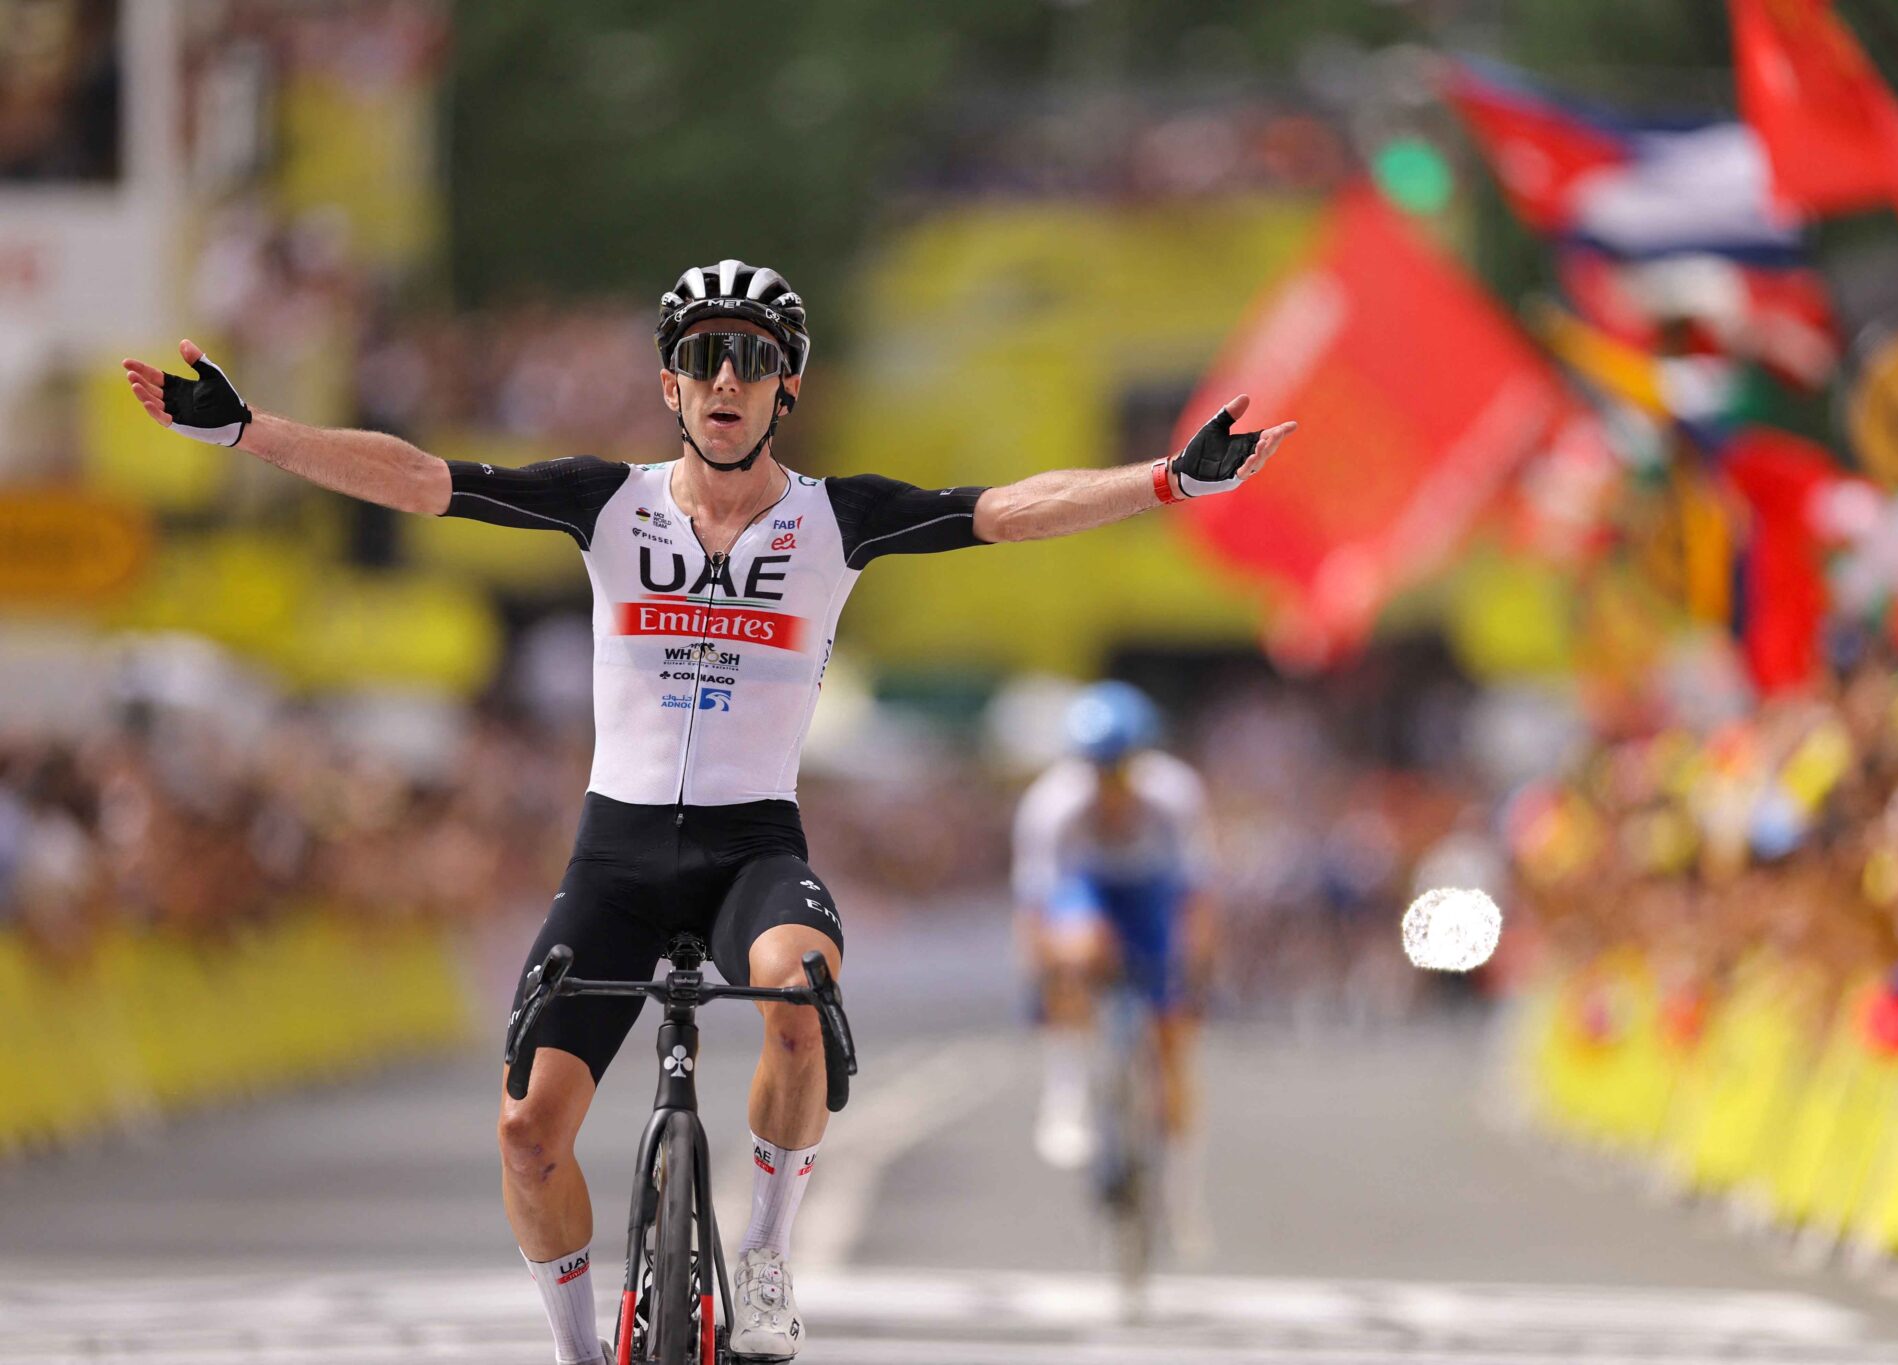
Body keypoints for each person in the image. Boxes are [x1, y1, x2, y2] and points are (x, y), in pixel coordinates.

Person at [123, 259, 1296, 1364]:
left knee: (799, 993)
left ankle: (769, 1260)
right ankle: (576, 1345)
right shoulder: (605, 504)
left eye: (748, 357)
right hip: (616, 855)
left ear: (786, 383)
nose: (723, 379)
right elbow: (422, 478)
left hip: (750, 849)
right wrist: (247, 431)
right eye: (700, 357)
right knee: (527, 1133)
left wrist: (1169, 481)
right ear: (669, 384)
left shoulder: (840, 518)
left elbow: (1011, 508)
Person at [1011, 681, 1218, 1250]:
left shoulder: (1175, 797)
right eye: (1098, 770)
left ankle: (1181, 1190)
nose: (1110, 785)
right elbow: (1034, 914)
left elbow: (1195, 900)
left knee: (1174, 1040)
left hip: (1151, 895)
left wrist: (1194, 975)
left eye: (1120, 770)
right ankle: (1068, 1089)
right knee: (1077, 949)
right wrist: (1045, 986)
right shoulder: (1051, 807)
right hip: (1088, 895)